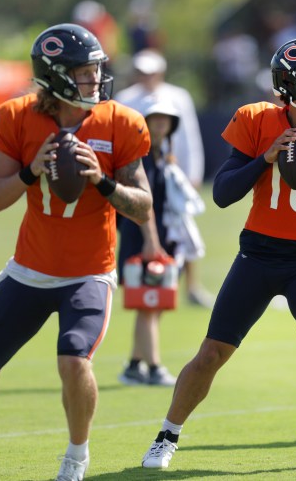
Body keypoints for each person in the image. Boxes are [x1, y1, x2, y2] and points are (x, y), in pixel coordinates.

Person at [139, 37, 296, 471]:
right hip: (258, 255)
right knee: (212, 352)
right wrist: (265, 159)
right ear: (293, 85)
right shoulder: (255, 120)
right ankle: (167, 436)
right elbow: (222, 193)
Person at [0, 23, 152, 481]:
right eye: (85, 72)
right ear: (57, 76)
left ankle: (76, 456)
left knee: (73, 359)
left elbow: (142, 208)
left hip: (88, 272)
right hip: (29, 270)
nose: (96, 80)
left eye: (96, 70)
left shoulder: (121, 122)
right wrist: (30, 171)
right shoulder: (17, 116)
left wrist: (102, 181)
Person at [114, 49, 213, 307]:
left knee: (182, 226)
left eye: (152, 72)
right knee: (134, 226)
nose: (147, 77)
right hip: (138, 169)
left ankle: (191, 286)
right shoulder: (126, 97)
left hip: (172, 172)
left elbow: (189, 137)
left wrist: (193, 174)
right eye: (143, 72)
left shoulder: (178, 96)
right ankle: (134, 278)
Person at [117, 99, 184, 387]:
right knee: (148, 304)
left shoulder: (161, 156)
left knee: (151, 305)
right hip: (141, 238)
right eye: (154, 118)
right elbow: (142, 206)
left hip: (158, 238)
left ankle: (134, 364)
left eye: (165, 119)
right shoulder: (140, 155)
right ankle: (154, 367)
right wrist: (150, 240)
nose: (160, 124)